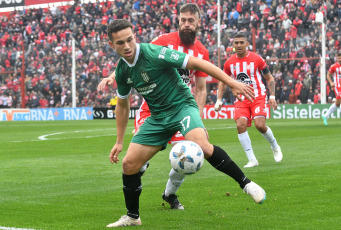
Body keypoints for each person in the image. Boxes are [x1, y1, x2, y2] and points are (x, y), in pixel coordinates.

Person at [104, 19, 266, 228]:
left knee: (202, 146)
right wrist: (119, 141)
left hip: (182, 106)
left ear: (135, 36)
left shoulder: (155, 53)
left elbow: (198, 63)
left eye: (129, 40)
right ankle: (133, 217)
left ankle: (247, 184)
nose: (126, 46)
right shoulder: (122, 71)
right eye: (120, 43)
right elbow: (123, 106)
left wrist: (231, 82)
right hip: (158, 117)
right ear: (111, 45)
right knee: (129, 164)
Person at [98, 3, 209, 210]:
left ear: (198, 22)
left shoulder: (202, 51)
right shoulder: (162, 41)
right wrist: (113, 75)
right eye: (183, 20)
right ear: (177, 20)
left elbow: (201, 89)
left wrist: (197, 120)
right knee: (136, 160)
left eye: (190, 21)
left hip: (180, 106)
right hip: (153, 108)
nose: (186, 24)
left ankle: (169, 194)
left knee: (187, 154)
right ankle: (139, 176)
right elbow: (134, 57)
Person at [215, 32, 283, 168]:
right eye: (236, 43)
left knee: (260, 125)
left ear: (247, 44)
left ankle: (275, 146)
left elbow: (269, 78)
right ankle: (252, 160)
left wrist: (272, 96)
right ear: (233, 45)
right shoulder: (229, 63)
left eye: (241, 42)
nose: (239, 45)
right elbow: (222, 81)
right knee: (240, 125)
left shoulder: (257, 59)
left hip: (258, 96)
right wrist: (219, 99)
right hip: (241, 98)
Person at [322, 52, 341, 126]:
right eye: (338, 58)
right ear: (336, 58)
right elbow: (328, 75)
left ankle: (325, 115)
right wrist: (331, 83)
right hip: (337, 86)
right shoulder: (333, 66)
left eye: (340, 58)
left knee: (337, 103)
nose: (340, 59)